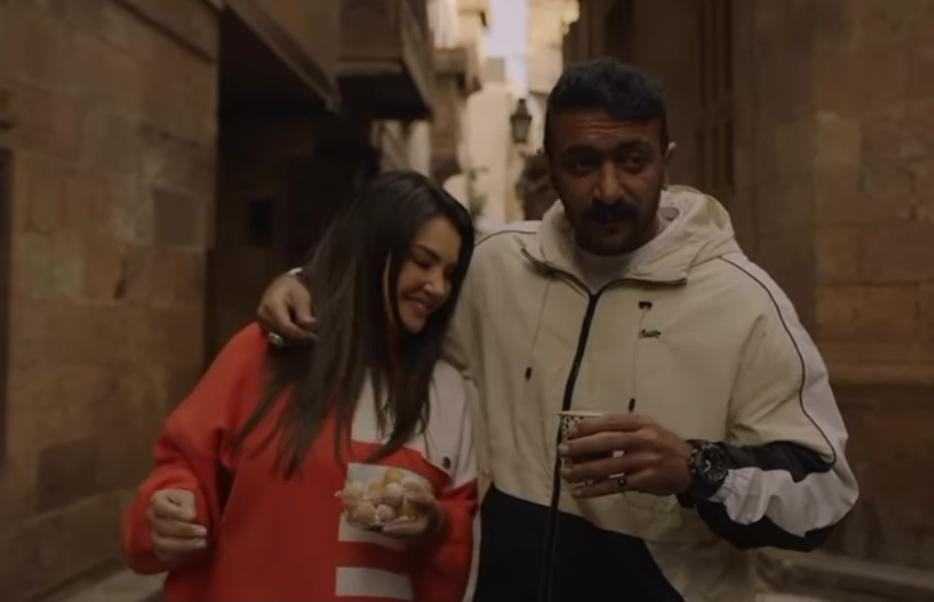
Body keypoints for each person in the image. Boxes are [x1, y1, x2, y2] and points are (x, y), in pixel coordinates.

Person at [256, 60, 859, 602]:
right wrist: (305, 283)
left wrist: (697, 468)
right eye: (582, 164)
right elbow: (390, 297)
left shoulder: (744, 304)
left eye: (633, 161)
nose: (608, 189)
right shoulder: (493, 266)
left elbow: (825, 498)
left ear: (665, 161)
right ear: (550, 164)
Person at [122, 171, 479, 602]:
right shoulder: (264, 353)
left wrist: (436, 525)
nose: (438, 287)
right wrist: (171, 510)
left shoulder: (448, 392)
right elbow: (183, 468)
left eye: (450, 273)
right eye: (422, 262)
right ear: (371, 251)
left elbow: (458, 523)